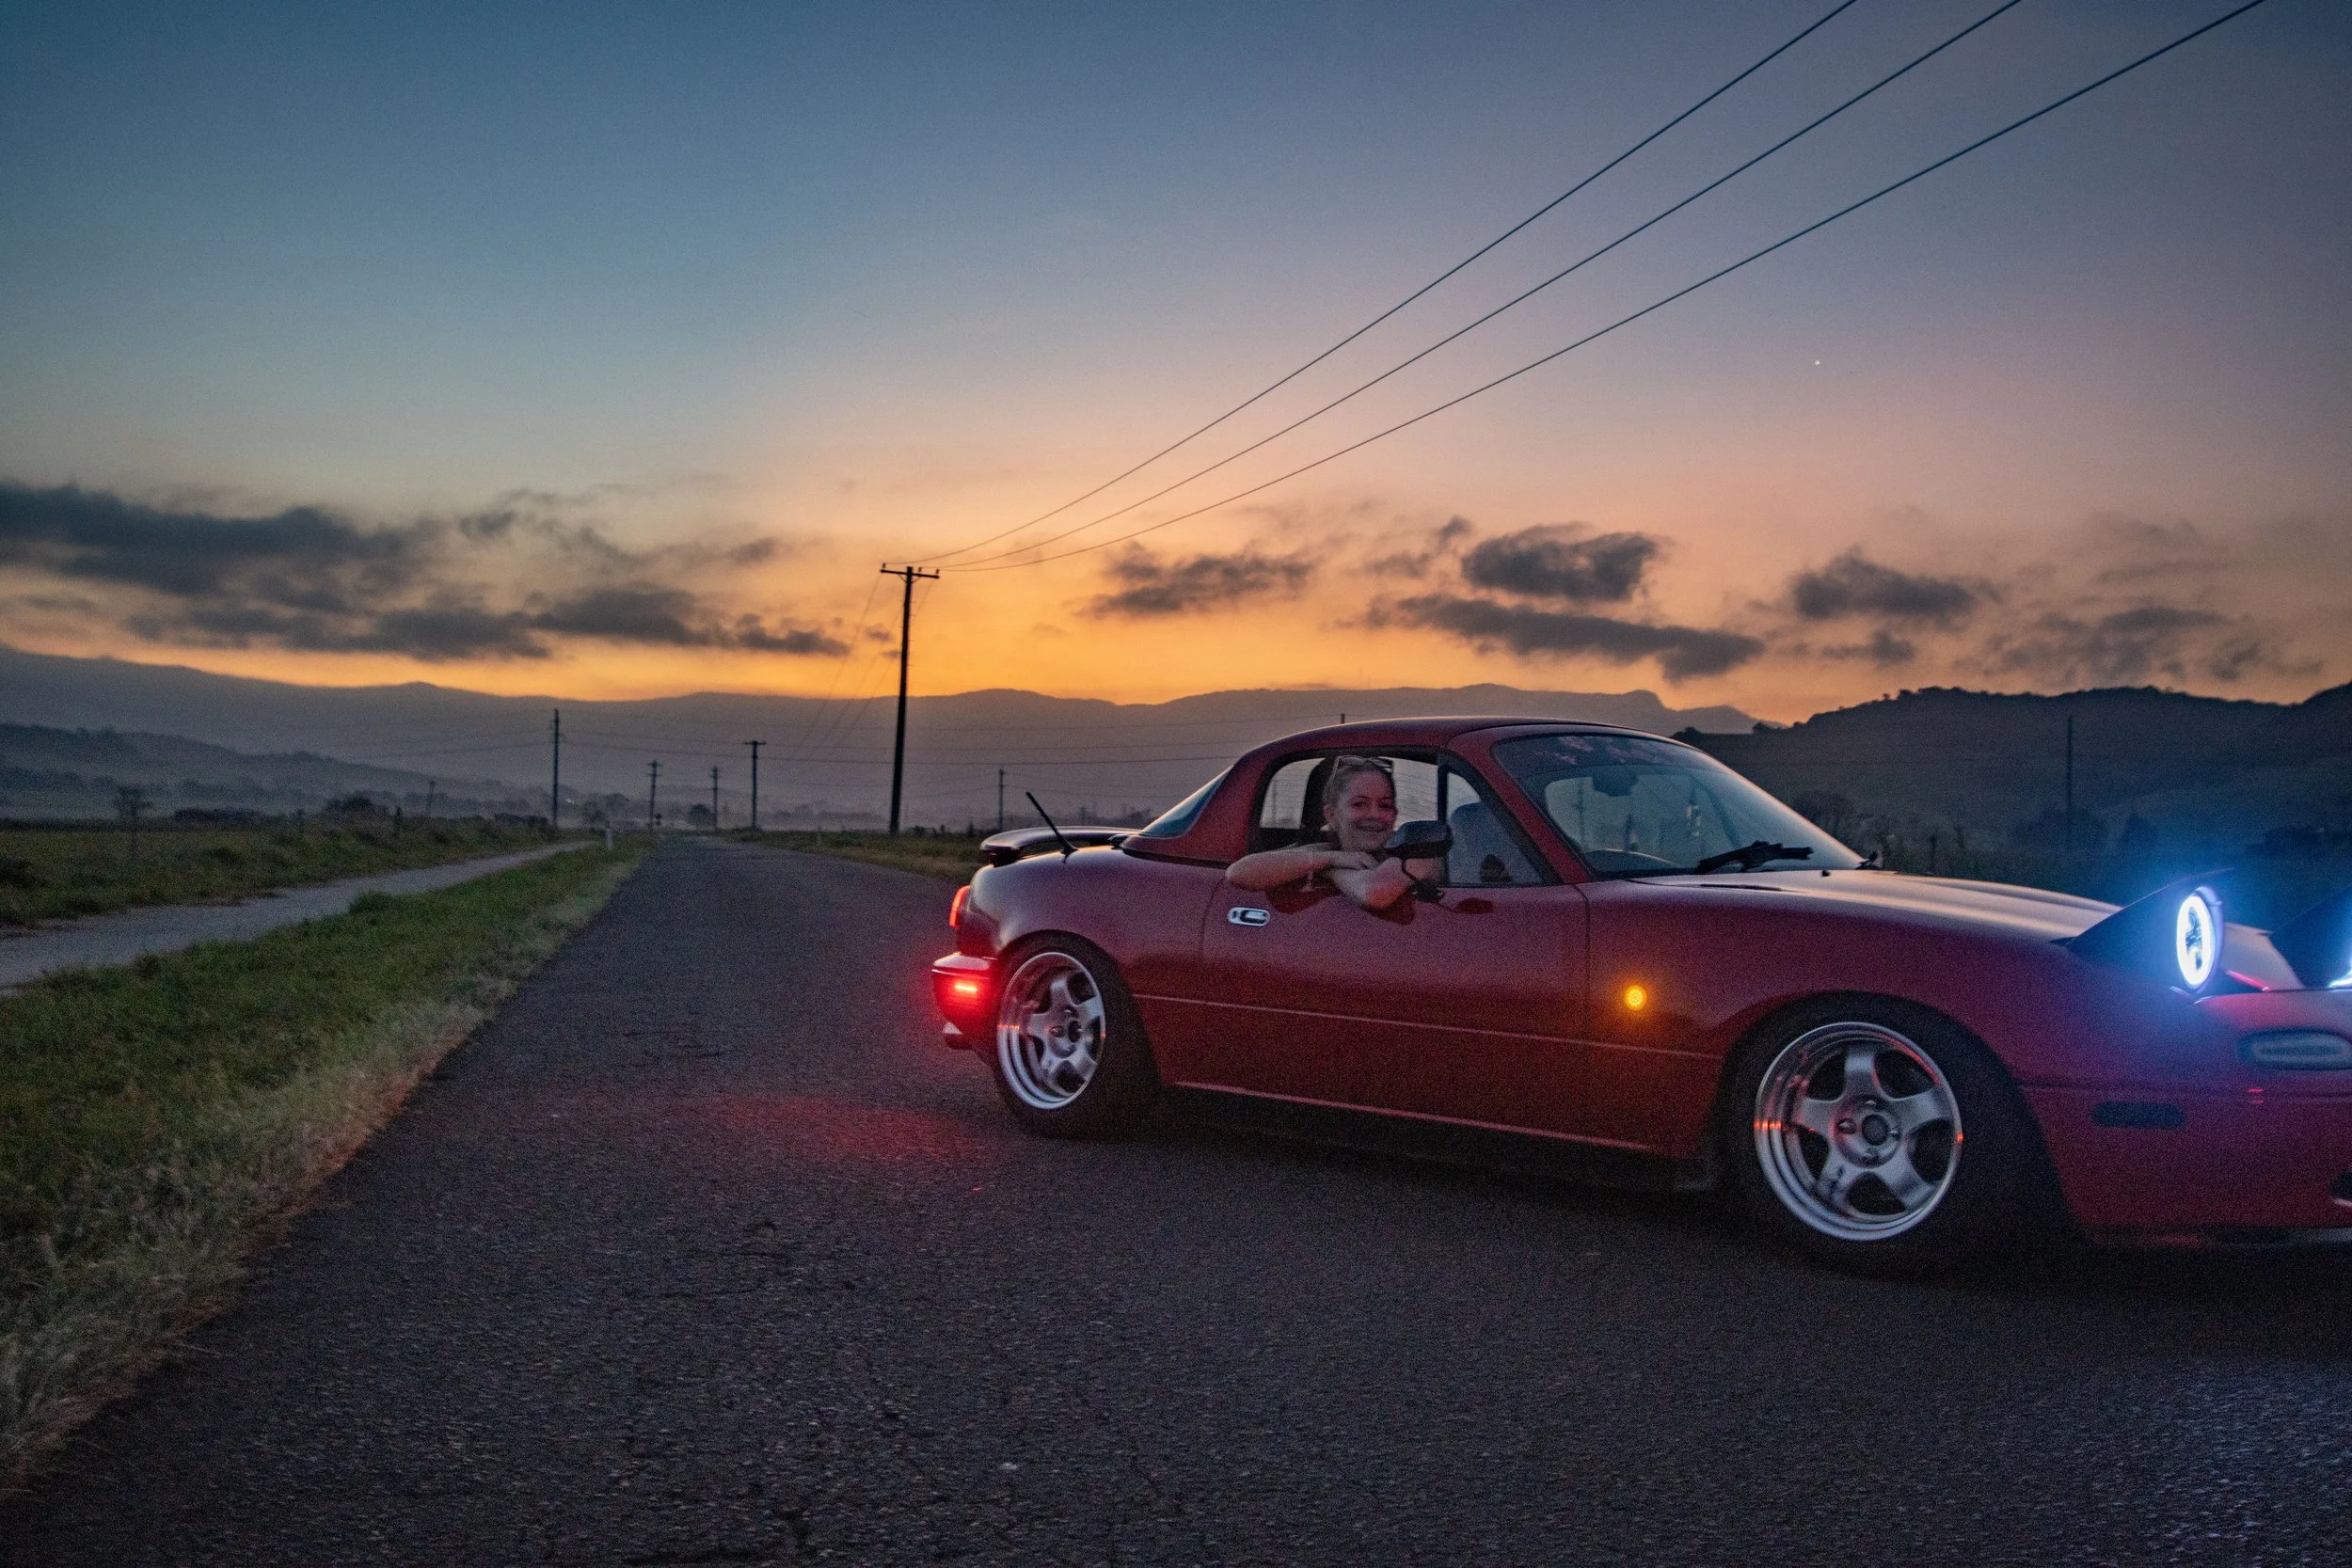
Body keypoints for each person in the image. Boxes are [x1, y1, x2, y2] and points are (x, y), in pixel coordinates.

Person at [1225, 755, 1439, 911]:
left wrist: (1330, 870)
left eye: (1385, 806)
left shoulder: (1416, 852)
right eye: (1359, 804)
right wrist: (1331, 858)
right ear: (1331, 814)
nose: (1374, 814)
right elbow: (1240, 872)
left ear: (1395, 814)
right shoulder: (1327, 851)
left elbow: (1375, 893)